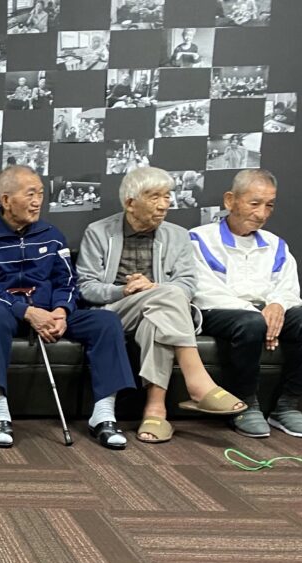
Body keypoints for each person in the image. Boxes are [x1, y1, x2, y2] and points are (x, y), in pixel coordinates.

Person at [0, 166, 137, 448]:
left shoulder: (52, 234)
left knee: (106, 322)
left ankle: (104, 414)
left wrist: (61, 311)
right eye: (30, 194)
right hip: (8, 312)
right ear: (6, 200)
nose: (37, 202)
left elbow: (66, 281)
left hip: (50, 311)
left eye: (40, 194)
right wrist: (26, 312)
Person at [77, 167, 246, 444]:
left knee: (158, 319)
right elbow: (86, 286)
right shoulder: (98, 232)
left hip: (160, 312)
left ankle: (155, 411)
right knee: (169, 296)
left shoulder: (178, 235)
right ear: (130, 203)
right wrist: (123, 290)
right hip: (114, 312)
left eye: (167, 196)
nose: (164, 204)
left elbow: (188, 285)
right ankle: (198, 382)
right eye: (154, 197)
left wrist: (152, 288)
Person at [191, 170, 302, 438]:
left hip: (266, 312)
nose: (262, 213)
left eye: (269, 205)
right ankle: (246, 404)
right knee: (251, 323)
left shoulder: (275, 244)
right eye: (254, 203)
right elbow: (202, 290)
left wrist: (277, 305)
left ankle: (288, 405)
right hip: (220, 312)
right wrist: (257, 313)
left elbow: (288, 287)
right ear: (230, 200)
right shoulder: (199, 239)